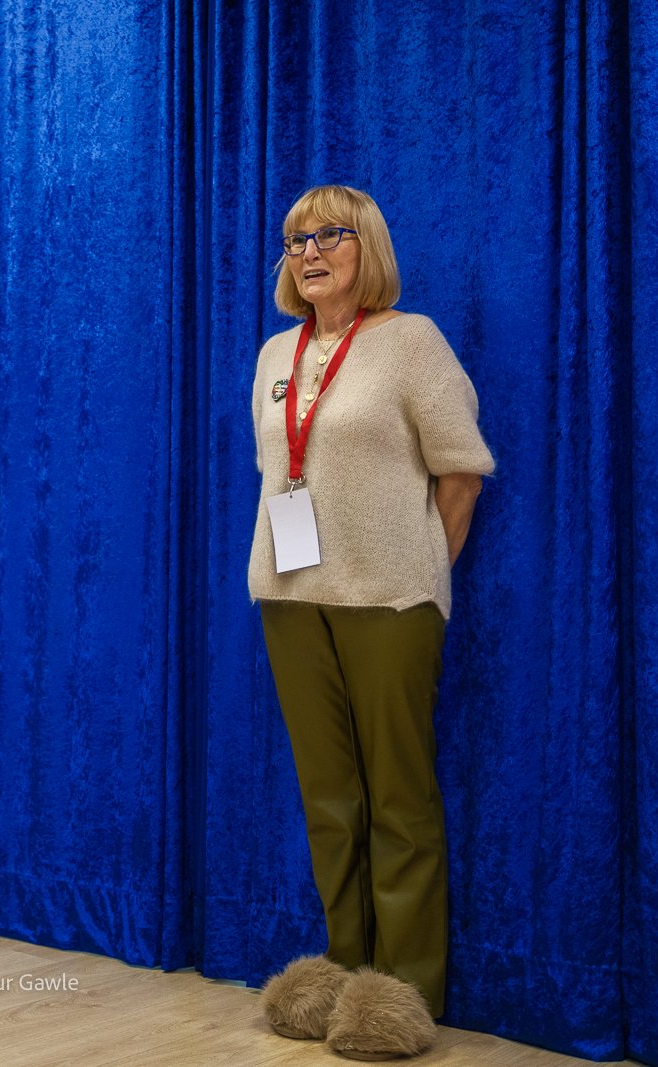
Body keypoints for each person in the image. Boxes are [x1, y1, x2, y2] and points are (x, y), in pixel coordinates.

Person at [249, 185, 494, 1061]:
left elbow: (460, 470)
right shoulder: (276, 352)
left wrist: (422, 564)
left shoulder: (411, 341)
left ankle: (402, 994)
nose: (309, 252)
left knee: (398, 797)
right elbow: (279, 469)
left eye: (330, 235)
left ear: (369, 247)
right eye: (295, 240)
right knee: (329, 798)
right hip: (290, 596)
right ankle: (342, 975)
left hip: (390, 599)